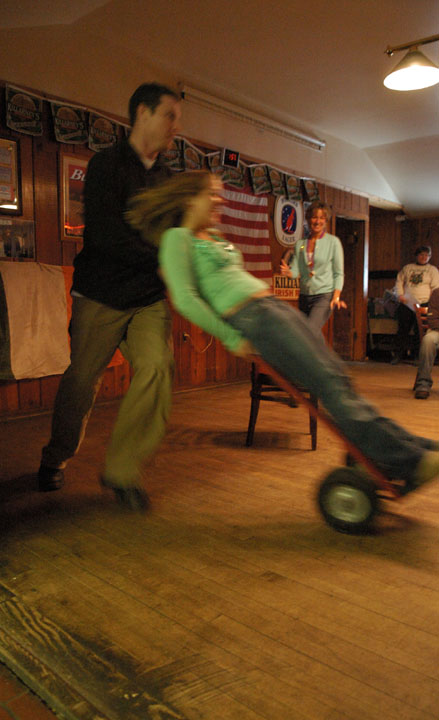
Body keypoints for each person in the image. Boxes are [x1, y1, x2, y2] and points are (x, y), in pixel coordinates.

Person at [127, 170, 439, 494]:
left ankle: (412, 450)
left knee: (337, 376)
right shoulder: (178, 239)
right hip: (253, 319)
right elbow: (185, 299)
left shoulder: (212, 236)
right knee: (328, 383)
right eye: (212, 194)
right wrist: (233, 338)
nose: (219, 200)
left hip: (271, 307)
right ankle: (409, 460)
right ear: (189, 198)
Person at [38, 82, 182, 509]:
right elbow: (104, 236)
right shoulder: (105, 166)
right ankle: (56, 456)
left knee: (157, 368)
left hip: (148, 298)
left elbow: (177, 235)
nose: (175, 127)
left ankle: (121, 471)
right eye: (169, 115)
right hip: (100, 293)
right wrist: (161, 257)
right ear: (142, 113)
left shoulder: (169, 178)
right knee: (82, 382)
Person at [279, 201, 345, 329]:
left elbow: (339, 273)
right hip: (304, 296)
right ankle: (322, 350)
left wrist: (336, 296)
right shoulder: (301, 244)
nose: (317, 221)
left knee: (309, 330)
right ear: (308, 219)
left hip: (324, 296)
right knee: (308, 333)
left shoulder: (333, 242)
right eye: (314, 217)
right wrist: (289, 273)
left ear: (326, 221)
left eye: (321, 218)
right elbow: (296, 270)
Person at [391, 245, 439, 364]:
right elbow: (399, 282)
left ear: (429, 257)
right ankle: (398, 355)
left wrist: (431, 303)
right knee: (403, 330)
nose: (424, 257)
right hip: (407, 303)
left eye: (426, 255)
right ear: (416, 256)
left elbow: (436, 287)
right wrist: (400, 295)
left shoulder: (432, 270)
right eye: (421, 255)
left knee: (420, 332)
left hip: (424, 303)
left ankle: (418, 356)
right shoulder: (407, 268)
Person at [413, 287, 439, 399]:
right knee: (428, 340)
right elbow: (432, 319)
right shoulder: (437, 293)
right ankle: (423, 384)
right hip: (437, 331)